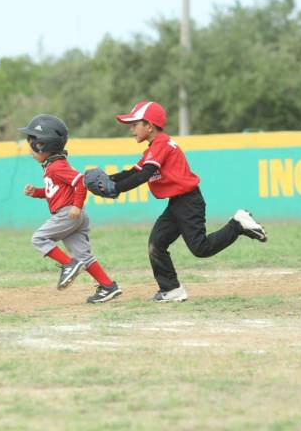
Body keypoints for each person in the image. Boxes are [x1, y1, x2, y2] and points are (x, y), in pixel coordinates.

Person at [95, 101, 267, 302]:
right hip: (177, 203)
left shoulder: (161, 144)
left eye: (134, 124)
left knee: (201, 248)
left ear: (149, 126)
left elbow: (144, 175)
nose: (131, 129)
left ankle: (237, 224)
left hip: (188, 201)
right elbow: (132, 173)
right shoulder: (154, 148)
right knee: (156, 244)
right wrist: (107, 180)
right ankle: (172, 289)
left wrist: (116, 189)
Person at [19, 114, 123, 303]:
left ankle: (69, 265)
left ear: (42, 145)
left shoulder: (57, 166)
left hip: (68, 213)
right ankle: (108, 286)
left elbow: (80, 182)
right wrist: (37, 192)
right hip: (72, 214)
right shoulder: (52, 166)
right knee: (84, 255)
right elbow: (55, 192)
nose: (30, 151)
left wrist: (76, 206)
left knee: (39, 238)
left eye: (31, 146)